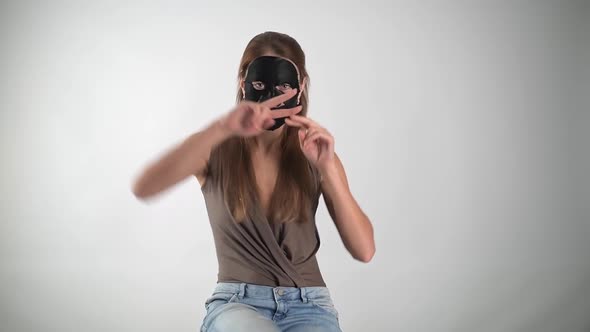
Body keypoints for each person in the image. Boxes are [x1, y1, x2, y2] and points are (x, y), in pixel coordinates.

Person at [132, 31, 375, 332]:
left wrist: (327, 168)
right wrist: (222, 127)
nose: (273, 96)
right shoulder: (215, 149)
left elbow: (364, 250)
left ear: (301, 88)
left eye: (284, 86)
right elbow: (144, 187)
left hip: (309, 304)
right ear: (242, 83)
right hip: (237, 304)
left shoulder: (315, 154)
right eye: (260, 85)